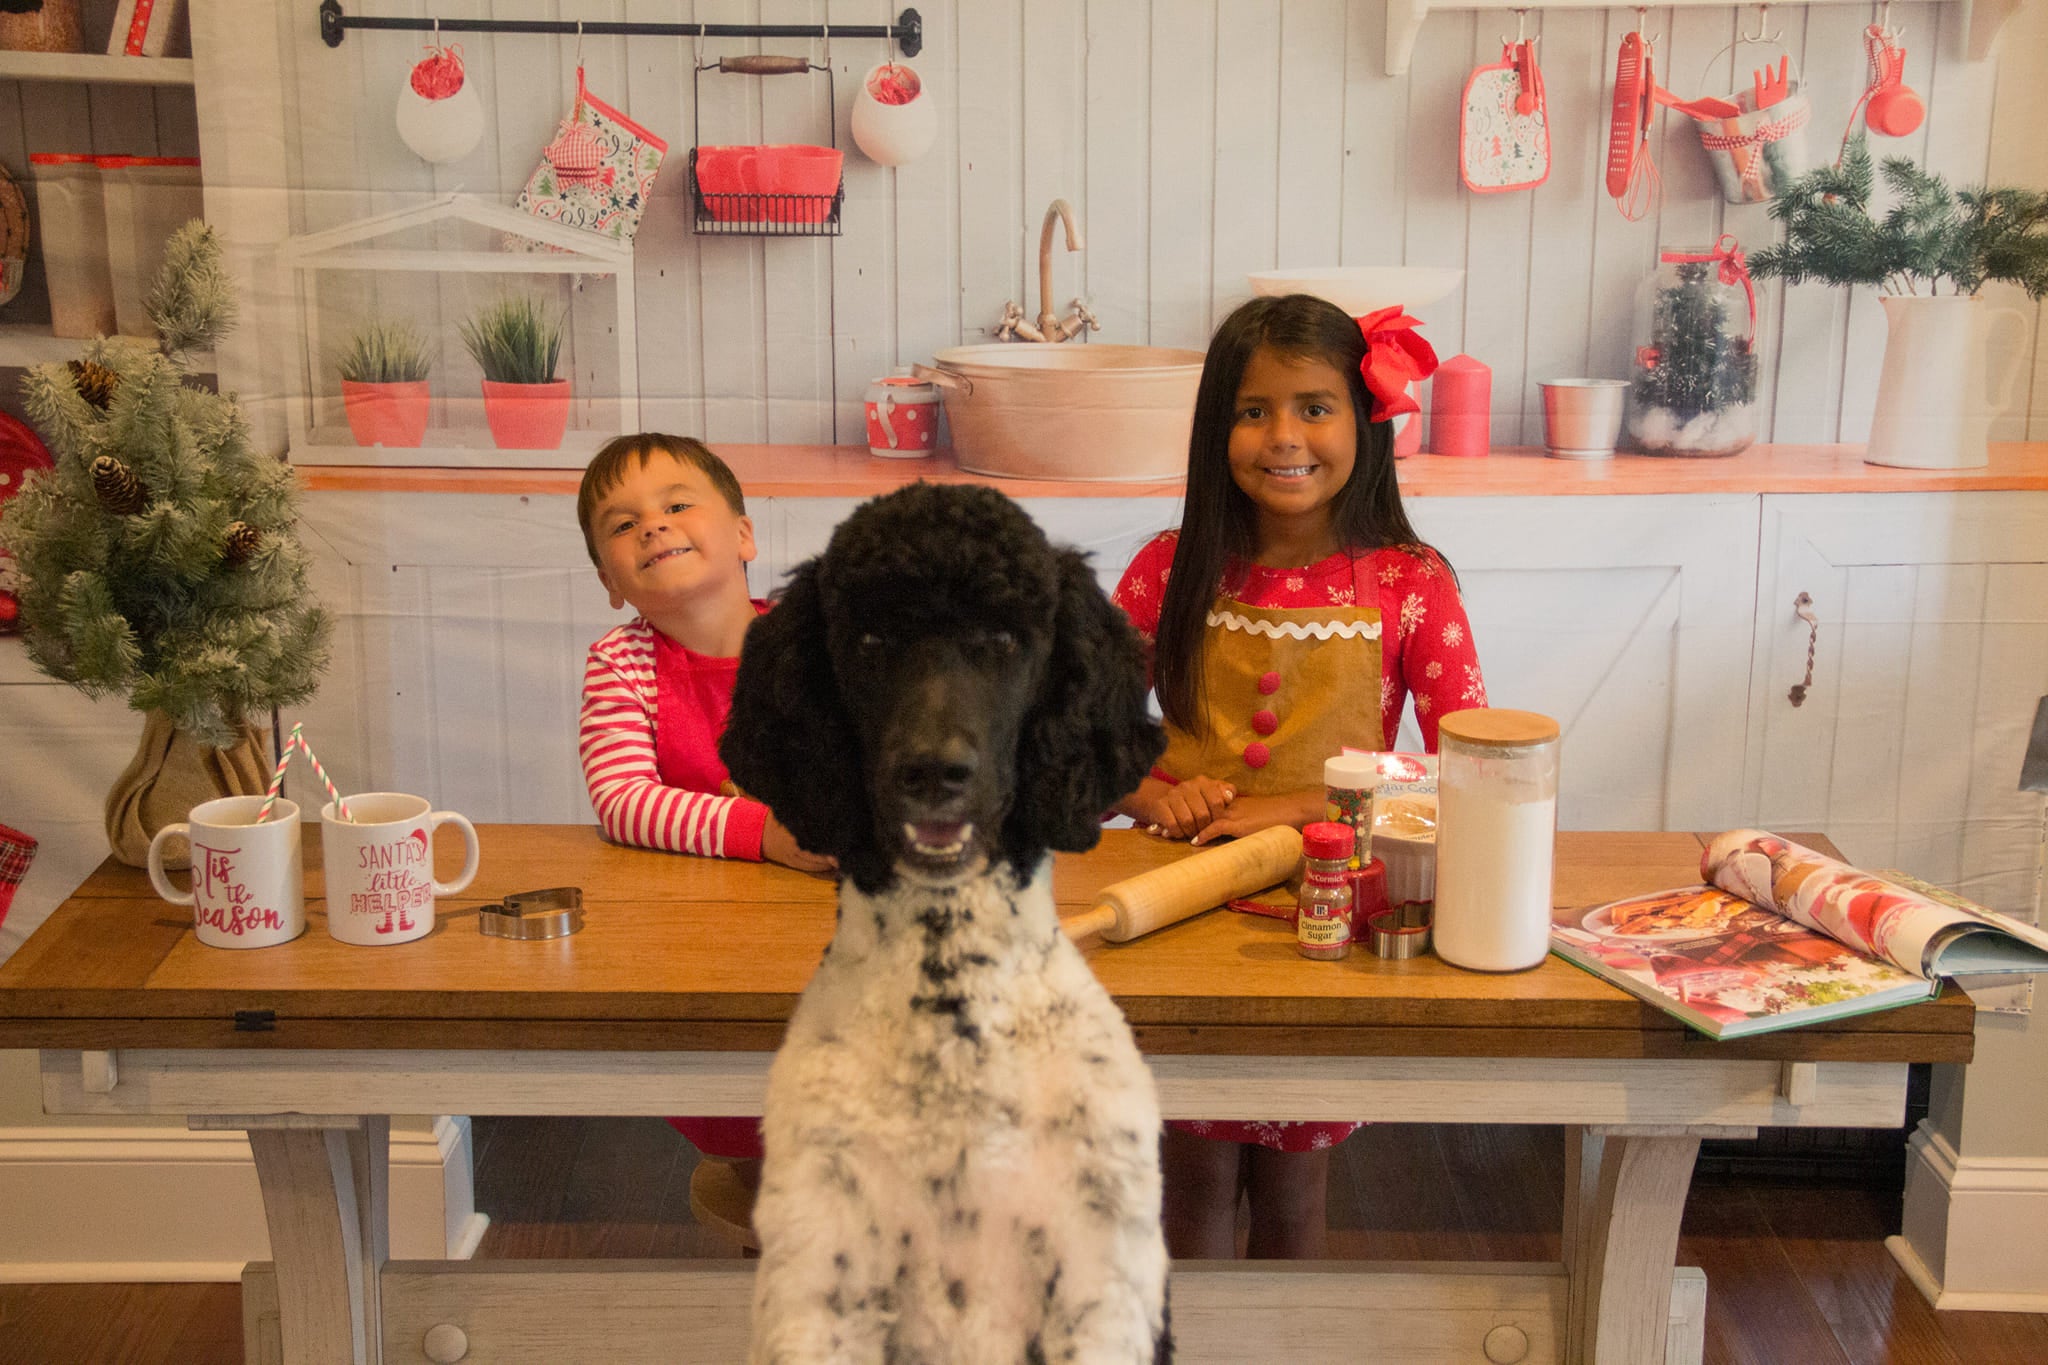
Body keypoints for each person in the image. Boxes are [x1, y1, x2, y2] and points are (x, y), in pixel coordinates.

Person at [1110, 294, 1486, 1260]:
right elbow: (1079, 732)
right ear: (1216, 429)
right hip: (1178, 919)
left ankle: (1285, 1331)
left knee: (1292, 1196)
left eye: (1314, 407)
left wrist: (1290, 807)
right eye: (1253, 411)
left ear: (1364, 421)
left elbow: (1467, 770)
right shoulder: (1166, 569)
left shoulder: (1411, 583)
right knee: (1188, 1187)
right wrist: (1152, 793)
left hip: (1325, 927)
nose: (1284, 436)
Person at [575, 433, 831, 1196]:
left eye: (677, 504)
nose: (653, 525)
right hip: (699, 947)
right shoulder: (621, 665)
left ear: (744, 535)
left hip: (822, 924)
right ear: (609, 581)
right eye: (623, 524)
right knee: (749, 1135)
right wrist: (766, 833)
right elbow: (622, 800)